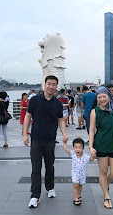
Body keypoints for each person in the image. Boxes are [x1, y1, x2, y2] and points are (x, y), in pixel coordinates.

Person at [23, 75, 68, 208]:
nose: (51, 86)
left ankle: (50, 188)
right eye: (49, 84)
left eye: (54, 84)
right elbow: (27, 116)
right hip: (36, 139)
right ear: (45, 84)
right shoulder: (35, 100)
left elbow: (61, 120)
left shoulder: (58, 103)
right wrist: (25, 134)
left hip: (50, 140)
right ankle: (35, 196)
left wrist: (64, 134)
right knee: (36, 168)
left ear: (56, 87)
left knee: (50, 166)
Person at [89, 86, 113, 209]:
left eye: (104, 96)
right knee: (103, 172)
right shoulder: (95, 111)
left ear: (108, 96)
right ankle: (106, 196)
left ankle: (104, 184)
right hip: (100, 144)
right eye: (99, 97)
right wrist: (90, 146)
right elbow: (92, 130)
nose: (102, 99)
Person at [63, 138, 95, 205]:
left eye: (80, 148)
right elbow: (66, 149)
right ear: (73, 148)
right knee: (75, 185)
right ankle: (75, 198)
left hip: (82, 174)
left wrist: (93, 156)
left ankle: (78, 195)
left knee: (80, 185)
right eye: (76, 147)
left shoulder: (85, 156)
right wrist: (64, 144)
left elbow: (90, 159)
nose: (78, 149)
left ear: (83, 148)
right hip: (75, 173)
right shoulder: (73, 154)